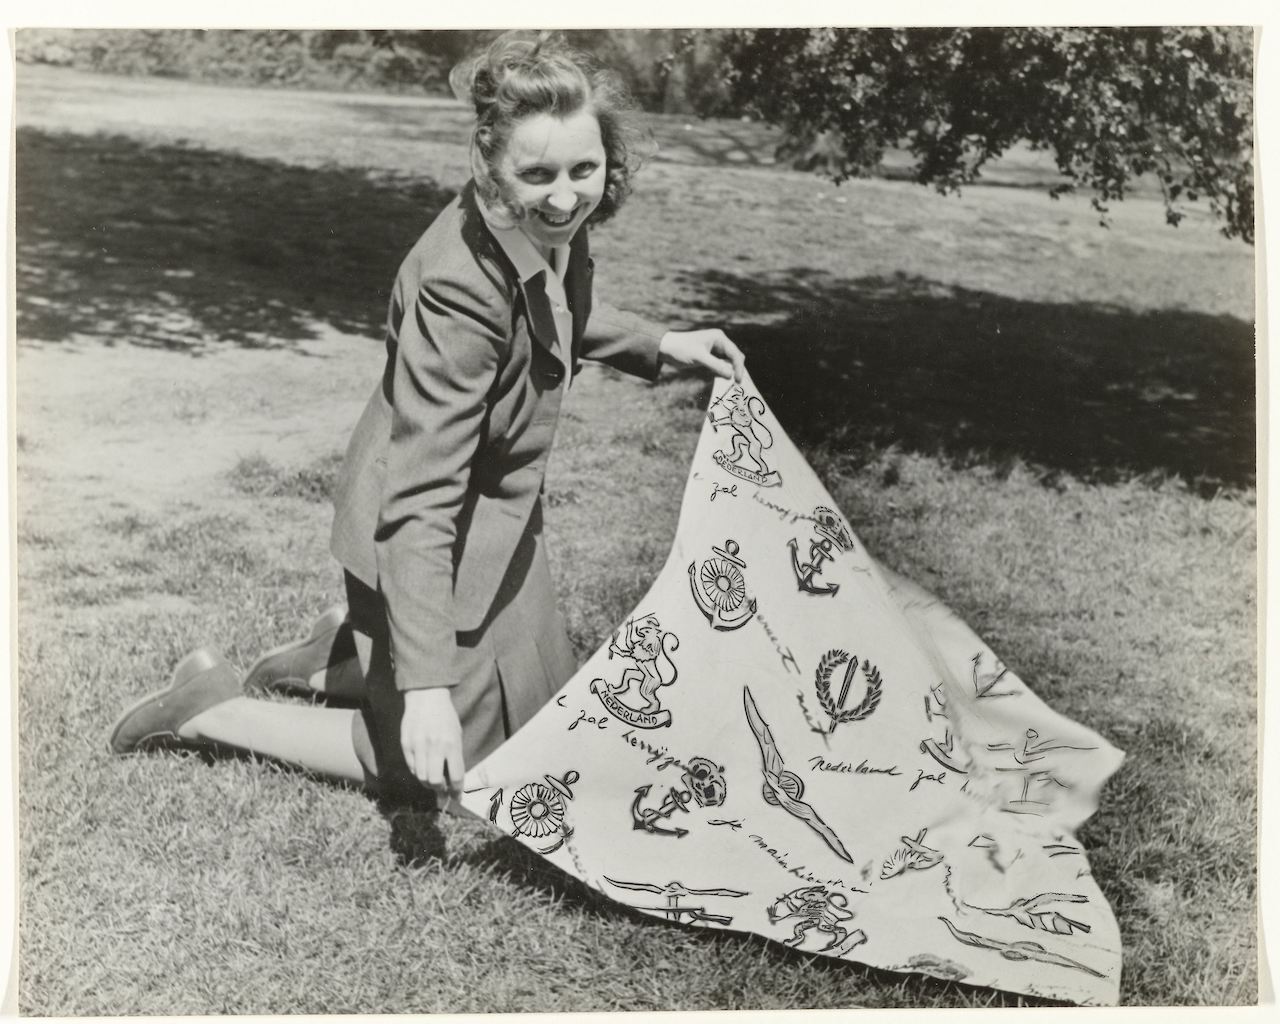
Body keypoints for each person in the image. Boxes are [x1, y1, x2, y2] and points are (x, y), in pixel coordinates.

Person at [107, 33, 745, 809]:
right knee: (440, 765)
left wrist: (658, 342)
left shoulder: (546, 229)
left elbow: (555, 310)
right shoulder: (458, 293)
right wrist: (431, 691)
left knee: (546, 717)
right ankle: (211, 707)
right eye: (537, 174)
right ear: (490, 166)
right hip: (419, 522)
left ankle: (335, 660)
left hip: (496, 517)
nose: (567, 195)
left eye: (585, 168)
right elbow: (420, 501)